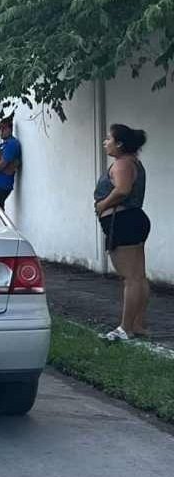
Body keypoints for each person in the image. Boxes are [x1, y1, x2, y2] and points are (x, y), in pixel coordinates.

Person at [94, 124, 150, 342]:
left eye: (109, 139)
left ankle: (125, 328)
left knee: (131, 278)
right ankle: (137, 325)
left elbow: (123, 189)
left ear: (119, 144)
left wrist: (103, 205)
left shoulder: (122, 164)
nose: (105, 142)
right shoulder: (132, 162)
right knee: (138, 276)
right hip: (132, 220)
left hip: (123, 221)